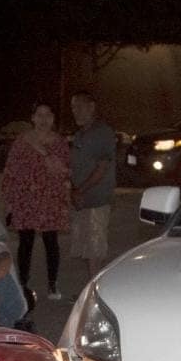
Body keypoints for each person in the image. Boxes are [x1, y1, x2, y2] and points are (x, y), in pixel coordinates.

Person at [2, 103, 71, 300]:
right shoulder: (22, 141)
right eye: (39, 115)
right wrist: (9, 200)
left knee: (51, 241)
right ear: (32, 118)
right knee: (25, 242)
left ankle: (52, 284)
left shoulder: (59, 142)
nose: (43, 120)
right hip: (26, 198)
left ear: (53, 118)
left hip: (50, 198)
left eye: (48, 115)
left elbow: (64, 169)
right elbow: (11, 170)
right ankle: (22, 284)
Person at [69, 91, 117, 279]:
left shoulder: (102, 132)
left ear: (91, 106)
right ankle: (90, 289)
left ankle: (94, 292)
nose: (76, 112)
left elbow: (102, 167)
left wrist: (80, 190)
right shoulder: (80, 134)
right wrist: (74, 191)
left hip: (96, 199)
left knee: (95, 250)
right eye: (73, 107)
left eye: (80, 106)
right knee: (85, 247)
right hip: (81, 199)